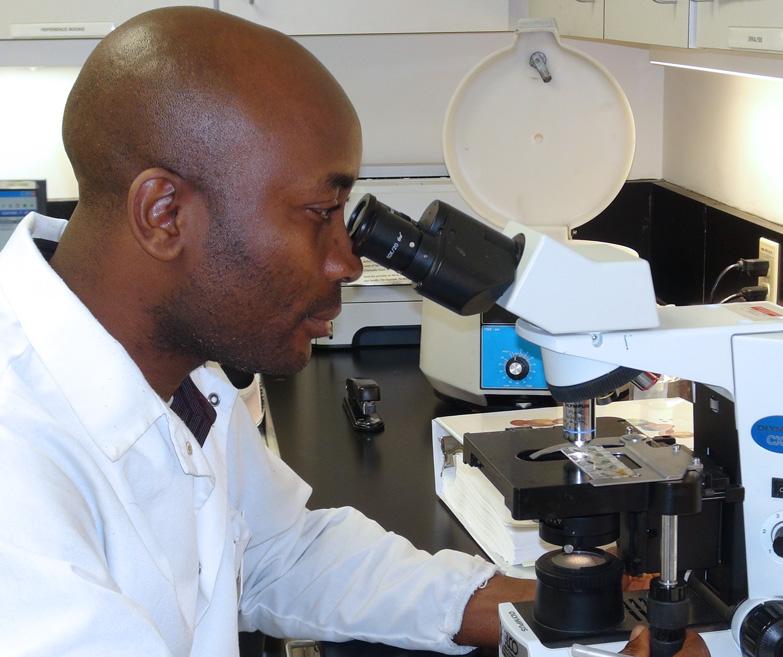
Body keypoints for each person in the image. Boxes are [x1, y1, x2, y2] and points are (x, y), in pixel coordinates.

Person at [0, 6, 710, 657]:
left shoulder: (173, 367)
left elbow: (280, 554)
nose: (346, 260)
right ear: (164, 215)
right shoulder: (20, 475)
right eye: (319, 213)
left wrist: (548, 611)